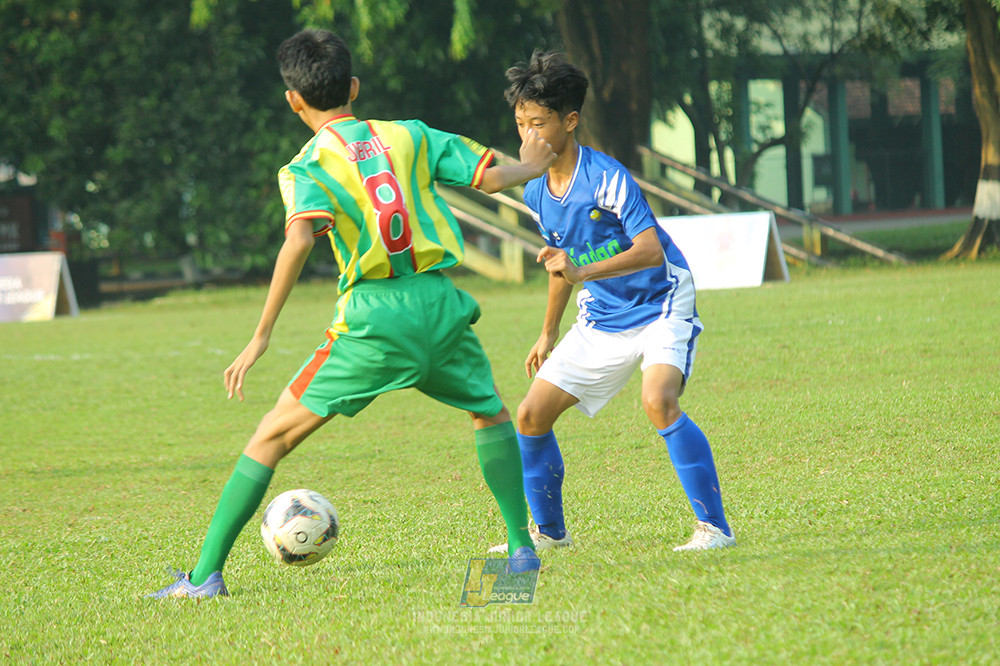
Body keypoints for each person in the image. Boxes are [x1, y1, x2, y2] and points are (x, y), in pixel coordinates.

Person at [149, 29, 556, 599]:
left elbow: (298, 241)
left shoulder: (307, 166)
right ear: (355, 88)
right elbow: (491, 174)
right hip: (440, 303)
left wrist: (261, 335)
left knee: (269, 439)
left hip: (372, 318)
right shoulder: (408, 135)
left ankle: (202, 578)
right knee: (489, 413)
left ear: (294, 100)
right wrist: (532, 165)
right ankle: (520, 551)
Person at [488, 51, 735, 555]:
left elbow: (646, 250)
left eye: (539, 123)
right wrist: (548, 332)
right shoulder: (535, 190)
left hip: (661, 300)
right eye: (520, 124)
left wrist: (582, 271)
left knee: (658, 401)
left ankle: (714, 528)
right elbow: (562, 264)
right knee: (531, 415)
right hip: (602, 314)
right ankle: (550, 533)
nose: (528, 137)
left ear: (570, 121)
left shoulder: (606, 177)